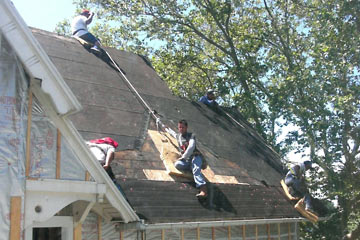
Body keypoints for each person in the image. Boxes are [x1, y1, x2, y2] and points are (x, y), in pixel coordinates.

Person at [160, 119, 207, 198]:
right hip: (187, 161)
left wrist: (183, 157)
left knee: (196, 170)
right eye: (179, 127)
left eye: (183, 127)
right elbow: (173, 134)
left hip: (195, 157)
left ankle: (203, 190)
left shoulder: (191, 136)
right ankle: (193, 168)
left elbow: (191, 147)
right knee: (177, 164)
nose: (181, 129)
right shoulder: (178, 136)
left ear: (186, 127)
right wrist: (166, 128)